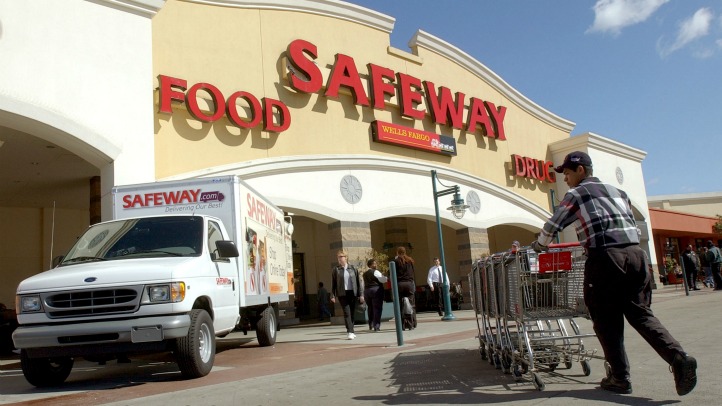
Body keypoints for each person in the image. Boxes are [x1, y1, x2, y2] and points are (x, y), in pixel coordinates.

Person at [530, 151, 697, 396]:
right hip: (636, 256)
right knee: (640, 314)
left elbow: (555, 223)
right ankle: (679, 358)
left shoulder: (577, 193)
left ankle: (619, 377)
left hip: (605, 258)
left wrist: (539, 245)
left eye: (567, 173)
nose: (565, 179)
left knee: (606, 320)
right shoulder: (620, 193)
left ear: (581, 171)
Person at [330, 249, 364, 339]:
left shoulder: (353, 268)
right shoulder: (336, 270)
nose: (339, 259)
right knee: (347, 312)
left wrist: (361, 295)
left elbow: (358, 282)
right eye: (338, 257)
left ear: (346, 258)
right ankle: (349, 331)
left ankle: (352, 330)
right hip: (342, 294)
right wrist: (332, 295)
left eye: (341, 257)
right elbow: (333, 283)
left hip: (352, 293)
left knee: (352, 313)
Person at [394, 246, 417, 330]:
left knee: (400, 304)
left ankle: (402, 325)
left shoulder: (396, 261)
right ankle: (412, 323)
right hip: (409, 283)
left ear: (397, 252)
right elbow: (413, 273)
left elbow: (393, 273)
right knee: (411, 304)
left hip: (400, 284)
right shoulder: (410, 261)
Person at [363, 258, 388, 332]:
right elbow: (382, 280)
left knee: (370, 308)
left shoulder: (364, 274)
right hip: (376, 290)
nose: (375, 265)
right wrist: (385, 278)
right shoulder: (376, 272)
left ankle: (370, 323)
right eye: (374, 263)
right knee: (377, 308)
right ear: (371, 265)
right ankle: (376, 325)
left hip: (367, 291)